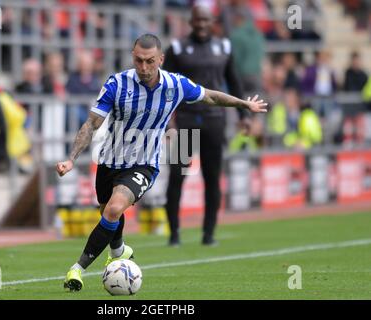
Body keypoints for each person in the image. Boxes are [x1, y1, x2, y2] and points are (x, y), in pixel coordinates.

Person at [56, 33, 267, 291]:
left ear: (161, 59)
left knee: (113, 209)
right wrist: (71, 158)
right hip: (110, 161)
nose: (143, 67)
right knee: (109, 212)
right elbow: (91, 123)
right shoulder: (117, 83)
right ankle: (119, 250)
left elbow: (210, 96)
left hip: (144, 164)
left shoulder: (175, 84)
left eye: (150, 61)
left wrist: (243, 104)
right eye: (138, 60)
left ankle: (77, 270)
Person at [163, 5, 250, 246]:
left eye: (205, 20)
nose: (201, 24)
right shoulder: (178, 48)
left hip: (214, 122)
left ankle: (209, 234)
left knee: (212, 178)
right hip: (185, 123)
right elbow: (165, 88)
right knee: (177, 176)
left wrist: (244, 115)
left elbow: (234, 81)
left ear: (212, 21)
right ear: (190, 22)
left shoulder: (224, 46)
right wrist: (168, 123)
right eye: (197, 20)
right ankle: (174, 234)